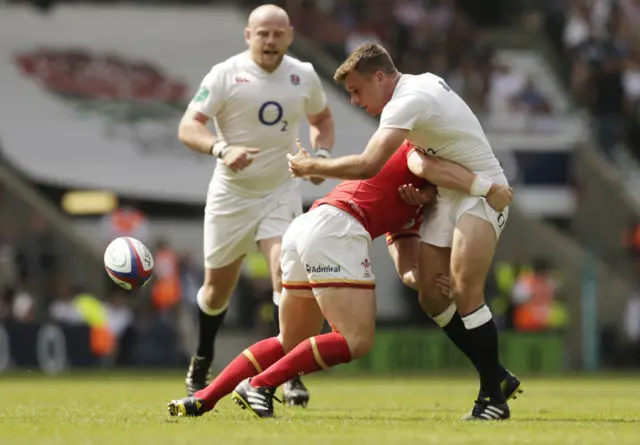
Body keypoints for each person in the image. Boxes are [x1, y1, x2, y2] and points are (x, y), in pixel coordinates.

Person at [165, 139, 512, 417]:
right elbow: (427, 165)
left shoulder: (414, 209)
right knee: (355, 339)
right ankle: (260, 385)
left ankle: (204, 399)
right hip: (338, 227)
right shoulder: (419, 148)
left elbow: (407, 270)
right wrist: (483, 185)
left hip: (305, 228)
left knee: (290, 341)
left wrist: (432, 281)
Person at [287, 43, 520, 420]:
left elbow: (368, 165)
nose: (355, 100)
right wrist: (426, 184)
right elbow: (421, 161)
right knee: (430, 296)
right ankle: (496, 375)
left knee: (463, 289)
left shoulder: (408, 100)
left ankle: (492, 397)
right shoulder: (419, 92)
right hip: (448, 197)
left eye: (357, 90)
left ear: (380, 77)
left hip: (484, 195)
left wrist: (313, 166)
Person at [176, 4, 334, 406]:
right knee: (215, 292)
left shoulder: (303, 75)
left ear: (290, 36)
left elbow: (322, 118)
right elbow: (188, 126)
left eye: (278, 33)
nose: (270, 40)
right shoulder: (225, 74)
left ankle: (289, 374)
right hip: (232, 194)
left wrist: (322, 154)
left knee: (287, 275)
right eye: (262, 33)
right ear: (248, 35)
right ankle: (203, 358)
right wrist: (221, 147)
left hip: (281, 189)